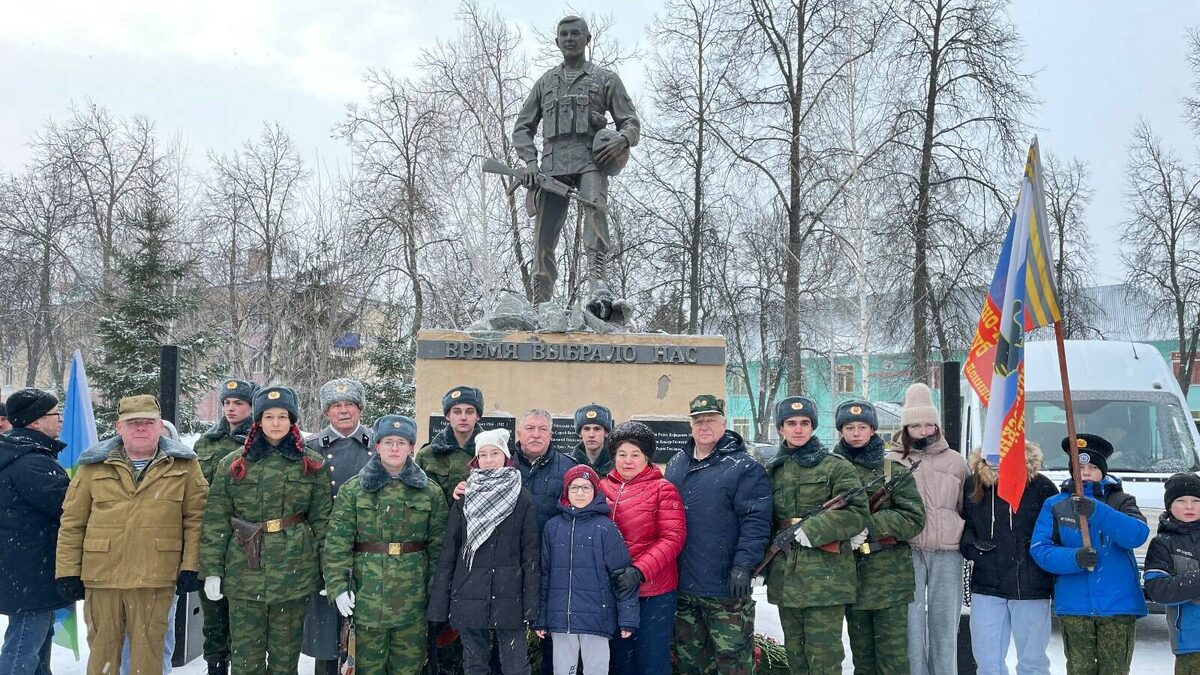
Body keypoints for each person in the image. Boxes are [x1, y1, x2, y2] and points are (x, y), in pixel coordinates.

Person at [56, 395, 207, 675]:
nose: (141, 428)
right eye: (133, 422)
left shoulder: (184, 466)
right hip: (102, 577)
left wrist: (191, 566)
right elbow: (72, 523)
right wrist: (67, 571)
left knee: (149, 657)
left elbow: (196, 520)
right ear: (119, 427)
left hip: (156, 577)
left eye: (148, 422)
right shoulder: (92, 466)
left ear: (160, 426)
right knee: (102, 656)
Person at [200, 386, 333, 675]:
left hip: (293, 571)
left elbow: (322, 521)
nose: (275, 423)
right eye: (268, 416)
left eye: (282, 416)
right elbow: (216, 520)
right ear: (258, 421)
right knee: (246, 659)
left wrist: (328, 571)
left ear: (292, 420)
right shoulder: (233, 463)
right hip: (244, 571)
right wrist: (212, 570)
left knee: (285, 660)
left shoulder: (311, 464)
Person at [513, 14, 640, 306]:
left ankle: (597, 282)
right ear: (557, 41)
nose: (569, 39)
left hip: (590, 161)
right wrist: (530, 162)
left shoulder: (605, 79)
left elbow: (630, 122)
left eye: (575, 34)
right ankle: (540, 297)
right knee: (543, 235)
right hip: (552, 165)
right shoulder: (545, 82)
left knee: (596, 210)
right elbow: (522, 128)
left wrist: (622, 139)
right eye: (564, 34)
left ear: (587, 39)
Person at [323, 415, 447, 674]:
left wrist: (436, 593)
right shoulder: (354, 490)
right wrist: (338, 585)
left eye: (401, 442)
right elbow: (337, 542)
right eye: (388, 442)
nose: (394, 448)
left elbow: (439, 549)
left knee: (408, 668)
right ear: (377, 446)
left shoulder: (430, 492)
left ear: (411, 447)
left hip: (413, 601)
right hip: (367, 599)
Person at [664, 394, 771, 675]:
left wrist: (743, 566)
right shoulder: (677, 464)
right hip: (685, 586)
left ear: (724, 424)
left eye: (710, 420)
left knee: (732, 663)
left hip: (726, 590)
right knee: (690, 663)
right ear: (691, 426)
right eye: (698, 421)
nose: (704, 426)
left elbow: (756, 522)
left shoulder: (744, 468)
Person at [1030, 434, 1149, 675]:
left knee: (1114, 670)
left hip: (1118, 606)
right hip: (1075, 607)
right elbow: (1040, 550)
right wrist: (1074, 558)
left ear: (1103, 471)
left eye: (1092, 467)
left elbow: (1136, 535)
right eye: (1080, 467)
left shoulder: (1121, 501)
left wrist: (1098, 512)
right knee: (1080, 670)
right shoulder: (1055, 505)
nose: (1085, 472)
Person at [765, 397, 868, 674]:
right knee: (795, 656)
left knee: (824, 658)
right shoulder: (771, 469)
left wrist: (813, 530)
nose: (798, 429)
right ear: (780, 428)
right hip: (785, 576)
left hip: (826, 578)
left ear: (812, 426)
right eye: (791, 423)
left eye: (804, 423)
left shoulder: (835, 466)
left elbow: (858, 513)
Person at [428, 428, 539, 675]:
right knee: (475, 664)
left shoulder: (521, 497)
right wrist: (439, 603)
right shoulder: (465, 496)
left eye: (494, 453)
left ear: (505, 457)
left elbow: (530, 553)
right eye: (483, 455)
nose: (489, 460)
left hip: (509, 593)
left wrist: (532, 605)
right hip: (469, 591)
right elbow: (450, 552)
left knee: (515, 665)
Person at [832, 400, 925, 675]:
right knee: (862, 658)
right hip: (850, 578)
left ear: (873, 430)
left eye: (862, 427)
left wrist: (870, 524)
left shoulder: (892, 471)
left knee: (893, 658)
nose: (856, 433)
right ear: (841, 431)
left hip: (889, 579)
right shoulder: (830, 470)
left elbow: (914, 518)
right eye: (850, 427)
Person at [885, 382, 967, 675]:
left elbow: (963, 505)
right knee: (911, 622)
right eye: (915, 425)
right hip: (908, 551)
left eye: (928, 425)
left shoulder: (956, 461)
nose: (923, 431)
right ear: (906, 428)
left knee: (945, 623)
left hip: (948, 552)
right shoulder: (892, 462)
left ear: (937, 426)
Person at [960, 441, 1057, 675]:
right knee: (987, 660)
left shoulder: (1041, 486)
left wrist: (1035, 551)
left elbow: (1055, 532)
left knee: (1033, 661)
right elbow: (965, 525)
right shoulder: (974, 484)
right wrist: (974, 549)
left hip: (1031, 584)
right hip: (987, 584)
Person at [598, 421, 686, 675]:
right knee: (620, 661)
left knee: (651, 659)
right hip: (613, 590)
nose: (628, 461)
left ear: (647, 458)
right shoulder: (601, 488)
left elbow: (673, 536)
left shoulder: (663, 489)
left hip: (653, 591)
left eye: (635, 454)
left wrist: (639, 571)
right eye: (622, 454)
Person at [535, 464, 639, 675]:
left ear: (595, 491)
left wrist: (627, 618)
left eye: (585, 487)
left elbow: (622, 576)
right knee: (564, 670)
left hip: (597, 617)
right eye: (574, 488)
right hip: (560, 618)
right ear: (566, 492)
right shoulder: (552, 527)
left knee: (597, 669)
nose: (580, 492)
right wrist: (540, 617)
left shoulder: (605, 527)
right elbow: (544, 575)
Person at [303, 378, 374, 675]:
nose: (343, 411)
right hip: (324, 550)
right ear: (325, 412)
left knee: (367, 637)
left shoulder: (377, 444)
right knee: (327, 639)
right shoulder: (310, 448)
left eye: (349, 405)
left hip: (368, 549)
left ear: (359, 409)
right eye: (335, 406)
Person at [0, 389, 69, 675]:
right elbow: (68, 506)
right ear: (35, 422)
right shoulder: (32, 462)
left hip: (23, 570)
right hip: (31, 572)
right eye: (55, 414)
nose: (61, 419)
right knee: (23, 648)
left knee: (36, 644)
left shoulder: (20, 453)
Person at [192, 378, 257, 675]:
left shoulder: (258, 442)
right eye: (227, 403)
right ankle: (215, 666)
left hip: (247, 539)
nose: (231, 409)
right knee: (213, 615)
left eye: (239, 403)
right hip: (213, 536)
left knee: (244, 620)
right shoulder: (206, 442)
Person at [119, 420, 187, 675]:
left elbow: (194, 519)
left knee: (158, 638)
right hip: (120, 570)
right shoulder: (116, 469)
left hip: (164, 570)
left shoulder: (183, 470)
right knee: (122, 638)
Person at [1144, 472, 1200, 675]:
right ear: (1169, 505)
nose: (1189, 506)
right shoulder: (1163, 544)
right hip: (1191, 642)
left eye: (1196, 500)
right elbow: (1158, 590)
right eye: (1181, 500)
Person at [417, 386, 486, 503]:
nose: (463, 417)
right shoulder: (427, 455)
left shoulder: (492, 452)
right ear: (448, 416)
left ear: (477, 416)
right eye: (457, 411)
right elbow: (419, 497)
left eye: (469, 412)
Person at [515, 409, 578, 532]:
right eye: (530, 428)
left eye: (543, 429)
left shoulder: (569, 467)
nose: (536, 434)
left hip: (551, 545)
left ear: (550, 435)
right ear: (519, 433)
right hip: (512, 547)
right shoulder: (505, 464)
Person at [571, 403, 614, 476]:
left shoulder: (618, 465)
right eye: (586, 429)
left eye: (597, 429)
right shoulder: (569, 464)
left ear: (606, 432)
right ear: (580, 433)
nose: (591, 435)